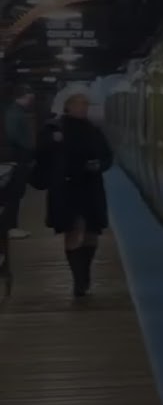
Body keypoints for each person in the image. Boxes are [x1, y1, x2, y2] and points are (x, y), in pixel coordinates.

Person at [27, 90, 113, 297]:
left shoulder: (93, 130)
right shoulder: (53, 129)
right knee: (74, 230)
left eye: (85, 104)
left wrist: (99, 165)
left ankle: (85, 275)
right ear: (67, 107)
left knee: (92, 234)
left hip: (91, 187)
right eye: (78, 104)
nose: (82, 108)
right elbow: (39, 154)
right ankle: (79, 281)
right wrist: (53, 141)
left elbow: (107, 156)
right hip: (65, 189)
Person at [2, 85, 37, 240]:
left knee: (13, 194)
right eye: (29, 97)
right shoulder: (15, 113)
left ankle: (9, 227)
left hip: (16, 157)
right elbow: (15, 136)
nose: (30, 101)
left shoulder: (13, 112)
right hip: (17, 157)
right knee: (13, 194)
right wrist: (29, 147)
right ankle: (9, 227)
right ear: (22, 96)